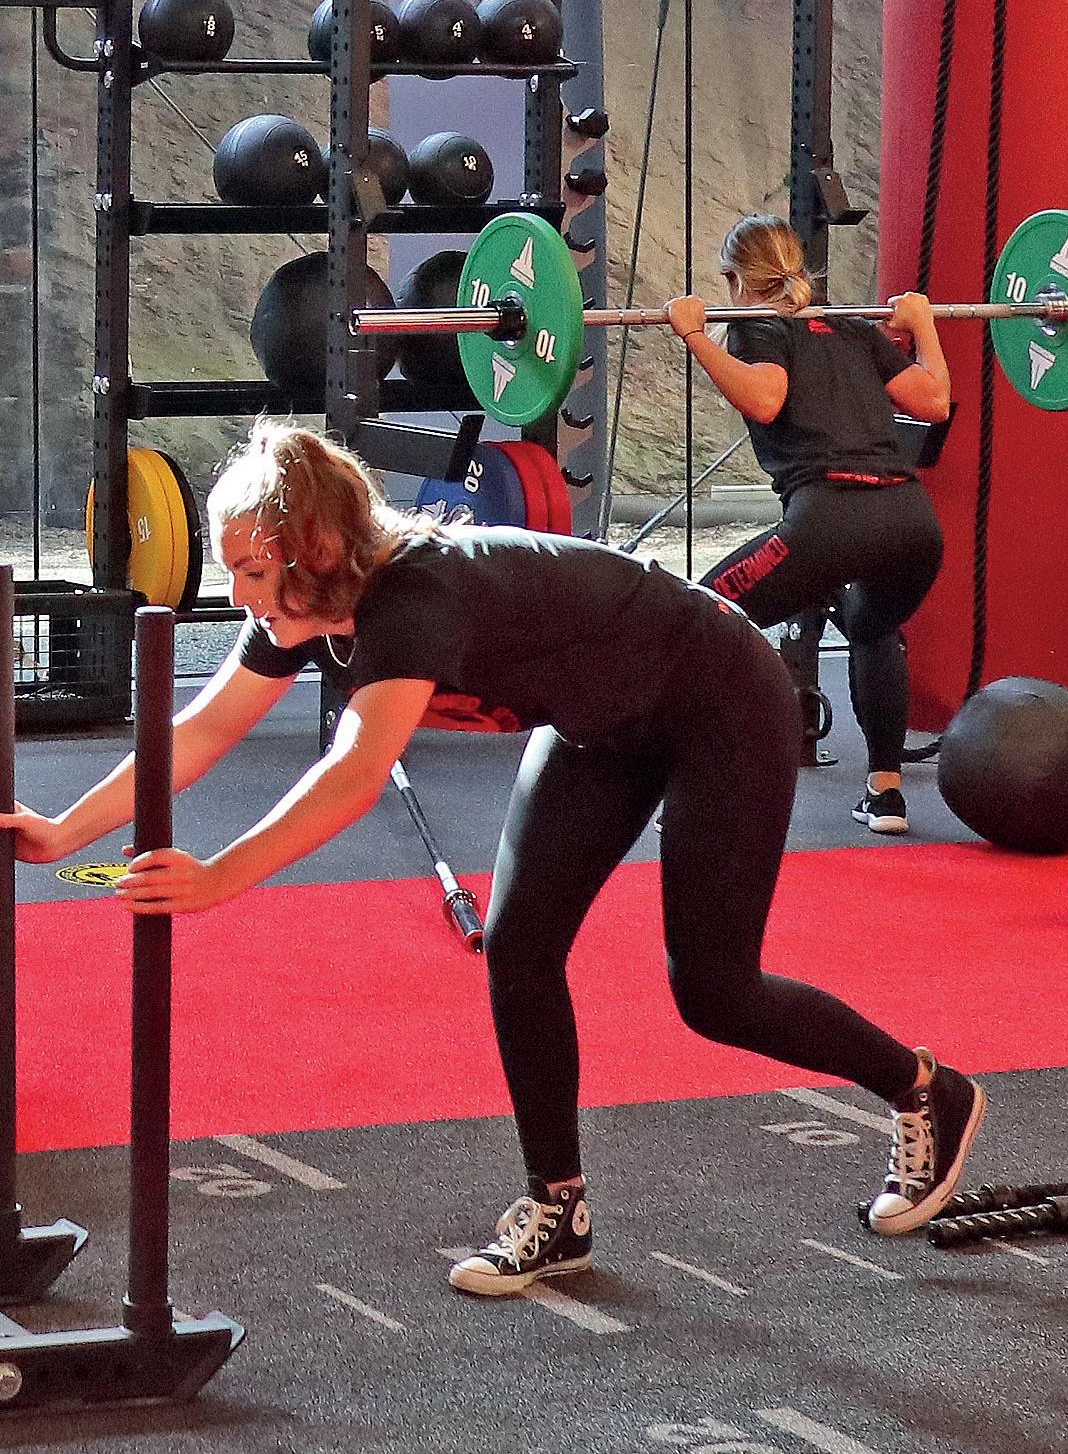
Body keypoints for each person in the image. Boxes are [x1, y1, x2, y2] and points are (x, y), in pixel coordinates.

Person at [0, 423, 985, 1296]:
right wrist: (59, 832)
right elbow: (201, 729)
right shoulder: (302, 610)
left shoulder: (413, 598)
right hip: (601, 719)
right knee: (519, 948)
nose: (238, 596)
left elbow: (354, 773)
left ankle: (924, 1089)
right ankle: (558, 1207)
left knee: (715, 991)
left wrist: (219, 877)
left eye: (252, 570)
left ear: (319, 548)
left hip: (718, 692)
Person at [677, 214, 949, 838]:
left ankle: (701, 795)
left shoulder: (758, 327)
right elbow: (934, 401)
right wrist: (925, 325)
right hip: (912, 524)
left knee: (700, 618)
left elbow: (765, 398)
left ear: (734, 280)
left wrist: (695, 335)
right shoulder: (852, 327)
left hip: (829, 521)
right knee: (873, 627)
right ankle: (885, 795)